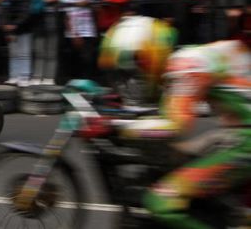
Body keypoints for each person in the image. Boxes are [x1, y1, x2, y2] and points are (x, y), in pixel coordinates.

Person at [98, 18, 251, 229]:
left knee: (161, 202)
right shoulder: (189, 59)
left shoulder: (186, 67)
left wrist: (116, 126)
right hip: (238, 132)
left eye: (137, 69)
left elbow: (174, 126)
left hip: (246, 142)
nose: (135, 79)